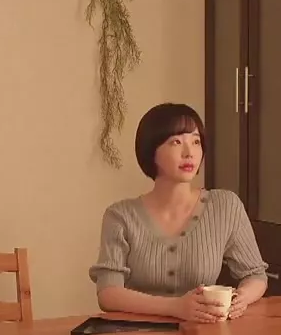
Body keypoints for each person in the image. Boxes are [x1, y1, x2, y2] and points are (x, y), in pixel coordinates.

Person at [89, 102, 269, 321]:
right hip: (138, 334)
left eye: (196, 142)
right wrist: (174, 307)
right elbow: (108, 293)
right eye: (176, 142)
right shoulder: (120, 216)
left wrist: (241, 298)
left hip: (205, 332)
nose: (189, 153)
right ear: (151, 150)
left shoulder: (226, 206)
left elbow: (255, 274)